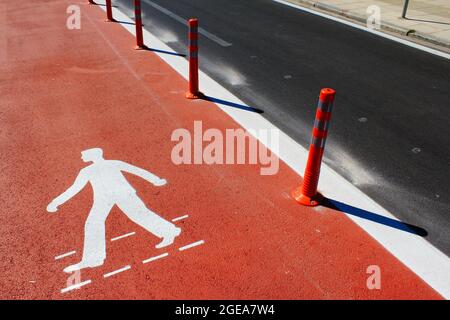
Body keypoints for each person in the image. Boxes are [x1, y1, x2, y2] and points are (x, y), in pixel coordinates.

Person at [47, 148, 181, 273]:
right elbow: (136, 170)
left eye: (84, 154)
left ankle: (170, 232)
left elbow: (135, 170)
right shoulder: (91, 169)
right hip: (105, 198)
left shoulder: (99, 167)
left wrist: (155, 180)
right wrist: (155, 180)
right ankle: (93, 259)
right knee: (95, 223)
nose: (82, 156)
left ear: (92, 155)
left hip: (121, 194)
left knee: (139, 215)